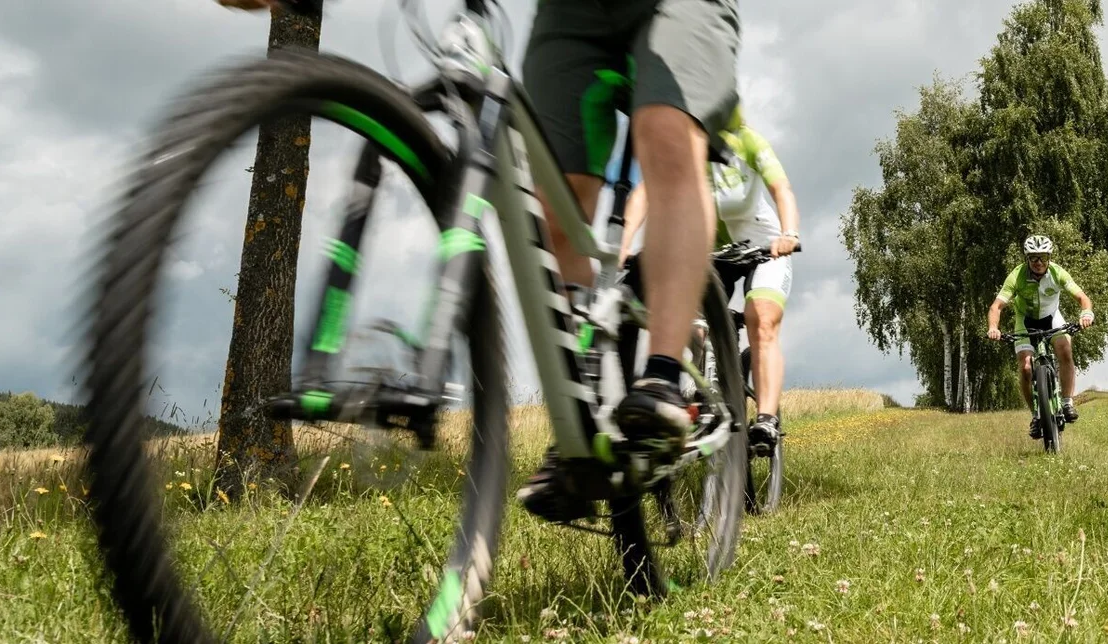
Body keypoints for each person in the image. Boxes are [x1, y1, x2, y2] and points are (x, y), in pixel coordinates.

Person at [215, 0, 743, 522]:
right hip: (572, 15)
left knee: (667, 134)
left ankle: (663, 376)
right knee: (558, 205)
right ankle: (585, 413)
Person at [617, 121, 802, 450]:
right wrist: (623, 242)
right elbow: (644, 193)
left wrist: (789, 234)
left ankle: (766, 420)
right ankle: (702, 395)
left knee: (761, 318)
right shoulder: (680, 147)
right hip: (707, 255)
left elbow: (781, 189)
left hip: (764, 248)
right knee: (690, 326)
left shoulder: (748, 142)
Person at [986, 236, 1094, 439]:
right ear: (1027, 258)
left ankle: (1067, 403)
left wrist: (1086, 313)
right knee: (1026, 367)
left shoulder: (1057, 272)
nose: (1038, 263)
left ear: (1049, 257)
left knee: (1065, 349)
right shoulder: (1016, 276)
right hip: (1025, 321)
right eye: (1033, 258)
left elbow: (1082, 298)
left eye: (1043, 257)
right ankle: (1036, 415)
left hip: (1052, 318)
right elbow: (996, 306)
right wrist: (993, 327)